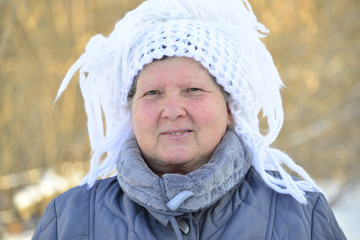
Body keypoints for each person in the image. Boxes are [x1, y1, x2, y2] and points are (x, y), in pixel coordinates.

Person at [32, 0, 346, 239]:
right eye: (153, 93)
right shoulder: (68, 220)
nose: (172, 110)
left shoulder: (301, 216)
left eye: (192, 90)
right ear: (131, 110)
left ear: (229, 108)